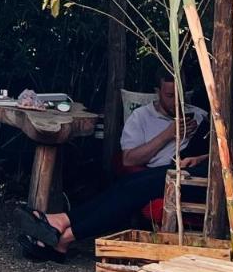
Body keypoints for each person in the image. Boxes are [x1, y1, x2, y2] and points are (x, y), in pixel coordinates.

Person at [15, 71, 208, 260]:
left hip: (192, 176)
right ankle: (62, 229)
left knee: (133, 188)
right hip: (165, 171)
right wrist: (170, 135)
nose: (175, 101)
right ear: (157, 91)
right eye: (169, 95)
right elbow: (128, 160)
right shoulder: (142, 116)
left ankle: (62, 233)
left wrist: (199, 158)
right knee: (128, 184)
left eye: (180, 96)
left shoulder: (201, 117)